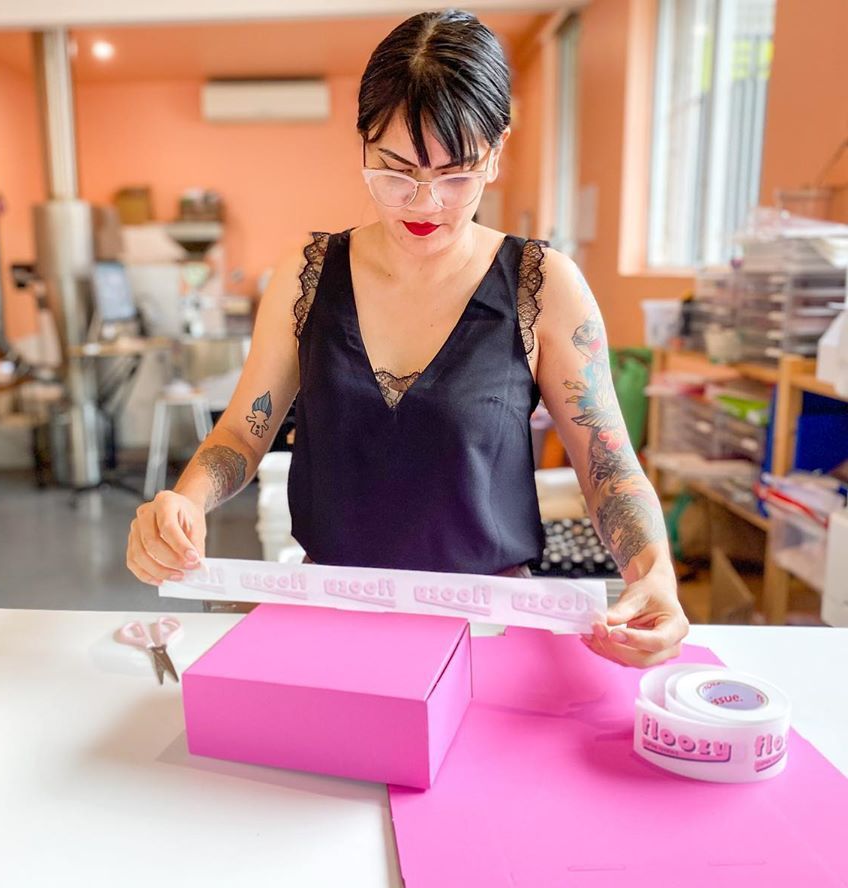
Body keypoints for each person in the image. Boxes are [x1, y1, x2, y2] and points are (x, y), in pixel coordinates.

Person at [127, 9, 687, 668]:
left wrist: (655, 571)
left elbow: (608, 465)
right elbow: (241, 434)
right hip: (331, 615)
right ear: (363, 142)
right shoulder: (307, 278)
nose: (425, 204)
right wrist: (183, 504)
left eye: (456, 176)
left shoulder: (542, 286)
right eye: (395, 172)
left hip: (488, 628)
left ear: (497, 152)